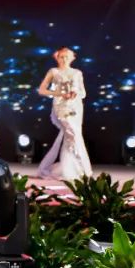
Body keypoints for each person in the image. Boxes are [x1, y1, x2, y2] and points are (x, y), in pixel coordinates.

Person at [36, 47, 93, 180]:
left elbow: (83, 93)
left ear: (72, 58)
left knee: (72, 136)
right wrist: (59, 93)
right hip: (61, 106)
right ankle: (83, 169)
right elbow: (42, 90)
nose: (64, 59)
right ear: (57, 57)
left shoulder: (77, 73)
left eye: (67, 56)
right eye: (61, 56)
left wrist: (75, 93)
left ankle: (71, 169)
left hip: (75, 107)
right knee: (73, 134)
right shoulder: (53, 71)